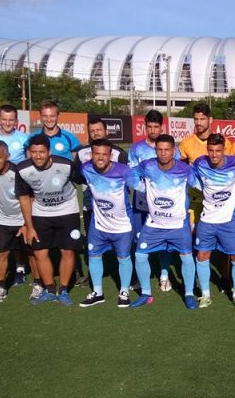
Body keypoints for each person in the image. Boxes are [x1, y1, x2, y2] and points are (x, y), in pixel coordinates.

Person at [126, 134, 199, 309]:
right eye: (159, 150)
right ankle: (146, 293)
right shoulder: (147, 166)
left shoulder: (185, 169)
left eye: (167, 150)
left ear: (174, 151)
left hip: (178, 225)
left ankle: (189, 294)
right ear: (155, 150)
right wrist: (143, 188)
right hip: (154, 224)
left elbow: (199, 185)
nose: (163, 153)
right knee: (140, 255)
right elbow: (130, 175)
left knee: (186, 257)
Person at [15, 134, 82, 306]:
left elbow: (82, 180)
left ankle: (63, 290)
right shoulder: (22, 170)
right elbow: (24, 198)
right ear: (29, 152)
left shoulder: (66, 165)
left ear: (49, 152)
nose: (38, 156)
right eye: (34, 152)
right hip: (41, 212)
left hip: (67, 211)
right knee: (39, 252)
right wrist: (29, 226)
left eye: (42, 152)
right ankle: (50, 290)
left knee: (67, 251)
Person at [72, 139, 135, 308]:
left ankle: (124, 292)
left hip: (122, 225)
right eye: (97, 154)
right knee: (93, 256)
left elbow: (142, 186)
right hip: (98, 224)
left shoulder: (124, 171)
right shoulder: (86, 169)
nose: (100, 158)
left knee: (123, 257)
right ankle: (98, 293)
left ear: (110, 155)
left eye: (104, 154)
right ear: (91, 155)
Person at [192, 134, 235, 309]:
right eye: (211, 150)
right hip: (208, 218)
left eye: (218, 150)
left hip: (231, 219)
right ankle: (205, 295)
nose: (214, 155)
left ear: (224, 150)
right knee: (202, 255)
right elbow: (192, 177)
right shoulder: (200, 163)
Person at [73, 117, 127, 288]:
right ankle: (92, 276)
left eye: (99, 130)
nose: (95, 133)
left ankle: (127, 276)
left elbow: (127, 180)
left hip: (117, 209)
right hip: (91, 205)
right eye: (92, 131)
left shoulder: (119, 153)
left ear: (106, 131)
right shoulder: (82, 153)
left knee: (122, 244)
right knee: (92, 242)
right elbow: (77, 176)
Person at [127, 110, 178, 292]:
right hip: (141, 203)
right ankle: (141, 278)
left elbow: (176, 172)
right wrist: (145, 189)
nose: (153, 130)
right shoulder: (136, 149)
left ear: (161, 127)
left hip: (165, 204)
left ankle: (164, 275)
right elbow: (132, 174)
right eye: (150, 126)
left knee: (165, 241)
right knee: (139, 240)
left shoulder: (171, 149)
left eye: (156, 126)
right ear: (145, 127)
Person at [0, 141, 33, 302]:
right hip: (3, 220)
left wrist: (27, 224)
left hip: (22, 219)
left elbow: (30, 198)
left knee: (32, 254)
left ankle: (38, 284)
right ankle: (1, 287)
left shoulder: (18, 173)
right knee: (1, 253)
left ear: (7, 156)